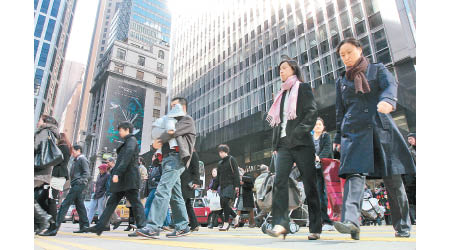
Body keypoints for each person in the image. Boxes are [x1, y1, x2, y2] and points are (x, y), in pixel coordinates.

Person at [332, 37, 416, 240]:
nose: (346, 58)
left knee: (393, 178)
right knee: (354, 175)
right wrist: (337, 136)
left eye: (349, 53)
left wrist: (387, 101)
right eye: (342, 56)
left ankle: (403, 226)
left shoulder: (377, 69)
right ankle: (351, 222)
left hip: (380, 127)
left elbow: (390, 86)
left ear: (360, 50)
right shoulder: (341, 80)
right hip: (353, 132)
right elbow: (340, 110)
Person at [265, 57, 322, 240]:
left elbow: (312, 112)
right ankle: (281, 225)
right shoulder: (281, 94)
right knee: (279, 183)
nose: (281, 72)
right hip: (283, 146)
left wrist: (298, 132)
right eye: (279, 69)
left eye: (284, 68)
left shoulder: (302, 88)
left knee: (309, 184)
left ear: (293, 70)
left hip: (302, 144)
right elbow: (278, 122)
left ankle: (315, 227)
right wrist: (275, 144)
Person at [136, 97, 196, 239]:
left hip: (176, 158)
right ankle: (182, 227)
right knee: (175, 195)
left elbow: (171, 132)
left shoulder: (186, 120)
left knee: (162, 191)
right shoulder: (171, 120)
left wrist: (159, 140)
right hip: (168, 159)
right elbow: (161, 141)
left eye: (175, 106)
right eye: (171, 106)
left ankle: (153, 227)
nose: (172, 109)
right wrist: (154, 146)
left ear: (183, 107)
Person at [86, 121, 146, 236]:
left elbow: (127, 158)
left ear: (127, 129)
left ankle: (142, 227)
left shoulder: (131, 141)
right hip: (124, 180)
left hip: (129, 178)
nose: (119, 133)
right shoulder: (128, 141)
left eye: (120, 130)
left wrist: (117, 173)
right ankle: (100, 226)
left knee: (135, 202)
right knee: (112, 202)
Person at [49, 145, 90, 235]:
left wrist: (80, 181)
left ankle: (55, 228)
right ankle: (85, 226)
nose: (72, 153)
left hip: (78, 184)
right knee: (80, 206)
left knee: (65, 204)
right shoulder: (77, 160)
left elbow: (86, 173)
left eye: (74, 151)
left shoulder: (82, 159)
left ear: (79, 150)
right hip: (76, 184)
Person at [37, 132, 72, 236]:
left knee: (51, 200)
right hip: (58, 175)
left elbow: (55, 160)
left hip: (58, 175)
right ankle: (49, 222)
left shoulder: (63, 147)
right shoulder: (65, 147)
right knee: (44, 198)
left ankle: (53, 227)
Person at [34, 115, 60, 234]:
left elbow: (35, 147)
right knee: (40, 199)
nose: (37, 122)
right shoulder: (51, 133)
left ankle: (44, 219)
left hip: (39, 170)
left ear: (44, 122)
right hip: (45, 171)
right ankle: (39, 223)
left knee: (49, 200)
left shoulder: (44, 132)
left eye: (40, 120)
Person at [312, 117, 335, 231]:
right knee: (318, 196)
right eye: (316, 124)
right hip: (315, 170)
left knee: (326, 195)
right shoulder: (310, 138)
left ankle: (329, 222)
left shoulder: (325, 136)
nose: (317, 126)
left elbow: (327, 150)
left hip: (326, 169)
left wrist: (318, 158)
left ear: (323, 126)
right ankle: (322, 220)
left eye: (320, 124)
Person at [212, 144, 240, 231]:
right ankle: (235, 216)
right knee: (223, 204)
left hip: (231, 185)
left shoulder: (232, 159)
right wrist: (214, 187)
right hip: (223, 186)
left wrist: (237, 185)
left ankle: (226, 223)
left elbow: (236, 173)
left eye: (222, 152)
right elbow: (218, 176)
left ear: (226, 152)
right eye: (219, 152)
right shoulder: (220, 163)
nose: (220, 154)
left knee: (225, 202)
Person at [181, 150, 201, 231]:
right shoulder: (185, 153)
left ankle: (182, 224)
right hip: (183, 181)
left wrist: (196, 181)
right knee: (187, 204)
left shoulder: (193, 154)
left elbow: (196, 168)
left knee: (184, 203)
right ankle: (194, 224)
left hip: (188, 183)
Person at [103, 157, 122, 230]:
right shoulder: (111, 170)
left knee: (108, 207)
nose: (106, 164)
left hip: (113, 191)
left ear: (112, 162)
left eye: (108, 162)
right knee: (106, 207)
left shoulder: (116, 169)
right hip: (109, 191)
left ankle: (117, 220)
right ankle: (107, 225)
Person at [403, 133, 416, 225]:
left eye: (411, 139)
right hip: (412, 179)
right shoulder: (409, 150)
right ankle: (413, 218)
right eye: (408, 139)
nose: (409, 141)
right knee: (411, 199)